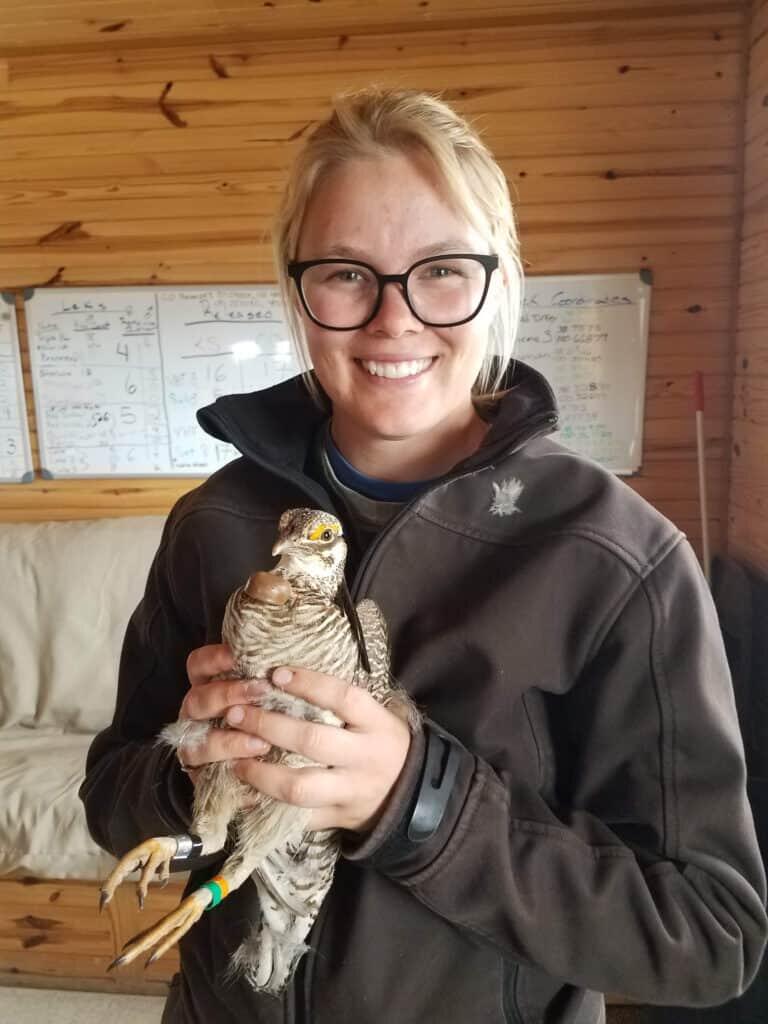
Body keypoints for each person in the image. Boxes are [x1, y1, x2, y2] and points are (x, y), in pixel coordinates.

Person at [80, 87, 767, 1024]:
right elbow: (110, 794)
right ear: (298, 290)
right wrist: (192, 772)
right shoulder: (216, 520)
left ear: (502, 280)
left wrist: (417, 804)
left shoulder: (617, 558)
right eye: (346, 273)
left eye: (441, 269)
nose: (393, 319)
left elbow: (708, 936)